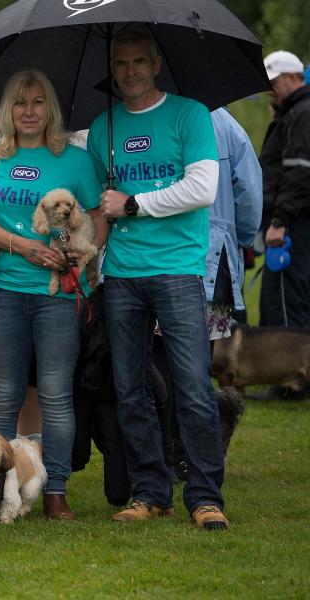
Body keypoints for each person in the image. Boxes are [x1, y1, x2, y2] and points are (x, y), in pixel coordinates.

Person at [87, 27, 228, 530]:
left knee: (192, 387)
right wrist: (83, 258)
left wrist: (134, 204)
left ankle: (205, 496)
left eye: (138, 62)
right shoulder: (103, 128)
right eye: (120, 63)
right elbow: (100, 211)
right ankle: (150, 492)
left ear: (155, 64)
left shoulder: (191, 114)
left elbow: (203, 187)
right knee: (130, 391)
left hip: (178, 271)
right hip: (122, 274)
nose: (129, 72)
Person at [0, 70, 107, 520]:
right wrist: (23, 245)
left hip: (59, 298)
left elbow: (100, 216)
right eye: (20, 103)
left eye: (38, 102)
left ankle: (55, 490)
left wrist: (84, 255)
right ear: (7, 110)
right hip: (5, 291)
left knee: (55, 394)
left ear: (52, 109)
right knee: (3, 394)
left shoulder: (76, 160)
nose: (29, 111)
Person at [259, 50, 310, 329]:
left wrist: (279, 221)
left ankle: (291, 370)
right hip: (293, 221)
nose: (271, 91)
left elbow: (301, 173)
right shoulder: (292, 113)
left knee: (284, 306)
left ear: (293, 77)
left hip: (292, 225)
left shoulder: (302, 113)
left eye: (275, 83)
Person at [207, 107, 262, 335]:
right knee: (208, 350)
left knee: (158, 353)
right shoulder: (227, 124)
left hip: (158, 258)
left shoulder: (151, 114)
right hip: (218, 259)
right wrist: (242, 239)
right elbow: (249, 193)